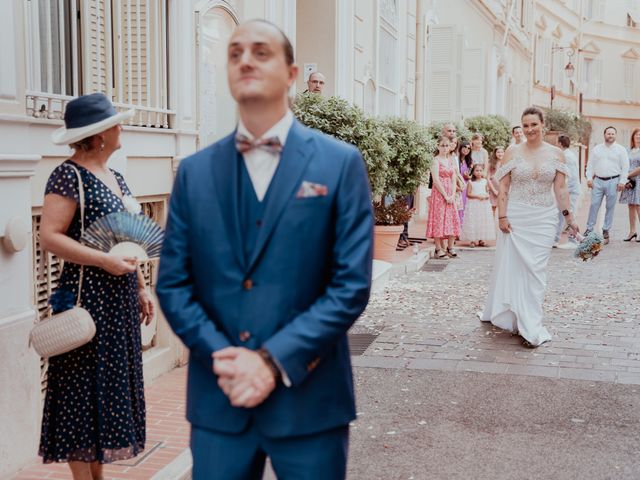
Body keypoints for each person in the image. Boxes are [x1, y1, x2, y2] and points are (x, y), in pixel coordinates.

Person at [156, 20, 373, 480]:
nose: (245, 60)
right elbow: (174, 284)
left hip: (311, 400)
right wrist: (225, 358)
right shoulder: (194, 173)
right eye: (235, 53)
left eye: (260, 51)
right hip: (221, 400)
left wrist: (272, 361)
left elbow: (350, 284)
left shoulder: (339, 163)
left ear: (292, 74)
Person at [39, 93, 152, 479]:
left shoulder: (115, 177)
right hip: (85, 297)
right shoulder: (68, 175)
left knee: (106, 393)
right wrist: (104, 261)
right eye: (118, 123)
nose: (123, 128)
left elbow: (124, 238)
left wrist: (140, 285)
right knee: (80, 393)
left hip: (118, 299)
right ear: (101, 134)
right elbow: (50, 236)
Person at [480, 107, 579, 347]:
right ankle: (517, 317)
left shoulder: (557, 154)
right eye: (525, 125)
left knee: (536, 270)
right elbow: (503, 187)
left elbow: (561, 189)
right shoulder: (512, 152)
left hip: (544, 218)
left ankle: (531, 324)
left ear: (542, 124)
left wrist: (569, 218)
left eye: (534, 124)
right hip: (517, 216)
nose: (529, 129)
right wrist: (502, 217)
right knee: (514, 268)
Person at [584, 126, 629, 244]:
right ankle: (589, 229)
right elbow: (590, 165)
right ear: (604, 135)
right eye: (608, 133)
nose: (610, 135)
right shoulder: (597, 149)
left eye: (612, 134)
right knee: (594, 205)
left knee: (610, 207)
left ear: (615, 135)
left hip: (613, 181)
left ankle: (606, 230)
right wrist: (589, 178)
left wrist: (622, 181)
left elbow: (625, 167)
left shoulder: (621, 150)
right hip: (597, 181)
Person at [426, 136, 460, 258]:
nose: (445, 148)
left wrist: (452, 194)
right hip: (439, 195)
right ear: (438, 146)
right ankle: (438, 248)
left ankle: (450, 247)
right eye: (442, 145)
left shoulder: (451, 160)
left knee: (452, 218)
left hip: (450, 193)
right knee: (438, 219)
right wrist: (445, 195)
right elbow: (435, 180)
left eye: (447, 145)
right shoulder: (435, 161)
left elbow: (454, 178)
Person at [555, 135, 581, 247]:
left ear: (560, 144)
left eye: (557, 142)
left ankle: (573, 240)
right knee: (560, 215)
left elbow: (572, 177)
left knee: (571, 214)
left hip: (571, 191)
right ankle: (555, 239)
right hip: (566, 192)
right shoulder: (565, 155)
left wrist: (565, 193)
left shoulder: (568, 157)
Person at [461, 164, 496, 247]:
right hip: (474, 204)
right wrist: (477, 196)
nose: (479, 172)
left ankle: (481, 239)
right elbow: (468, 194)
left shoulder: (485, 181)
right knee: (473, 220)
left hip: (483, 204)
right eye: (477, 170)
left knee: (482, 221)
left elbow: (487, 192)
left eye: (480, 170)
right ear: (473, 172)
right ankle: (472, 240)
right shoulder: (471, 182)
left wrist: (486, 196)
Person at [619, 128, 640, 242]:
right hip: (629, 181)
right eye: (636, 135)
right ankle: (632, 231)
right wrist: (625, 177)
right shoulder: (628, 150)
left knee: (638, 205)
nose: (638, 137)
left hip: (638, 179)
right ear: (633, 137)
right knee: (631, 205)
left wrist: (627, 175)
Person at [457, 140, 473, 225]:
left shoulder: (470, 161)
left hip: (465, 187)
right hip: (457, 186)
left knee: (464, 207)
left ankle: (462, 228)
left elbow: (470, 176)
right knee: (457, 207)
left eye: (468, 148)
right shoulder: (456, 159)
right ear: (460, 148)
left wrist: (468, 176)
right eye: (464, 147)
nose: (466, 149)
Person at [487, 146, 504, 217]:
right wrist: (494, 190)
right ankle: (492, 226)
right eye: (498, 152)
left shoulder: (506, 163)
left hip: (503, 189)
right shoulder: (491, 163)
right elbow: (487, 178)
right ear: (495, 153)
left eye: (502, 152)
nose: (500, 154)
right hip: (493, 189)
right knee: (493, 209)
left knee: (503, 209)